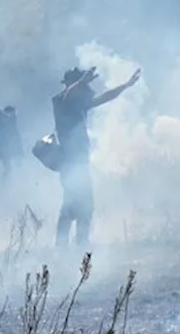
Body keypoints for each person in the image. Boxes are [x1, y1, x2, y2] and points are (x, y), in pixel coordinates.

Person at [53, 65, 141, 248]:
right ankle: (67, 245)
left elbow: (105, 97)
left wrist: (125, 85)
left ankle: (76, 243)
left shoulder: (76, 103)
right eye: (79, 85)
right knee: (73, 203)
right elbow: (69, 94)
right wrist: (82, 81)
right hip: (71, 162)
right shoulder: (61, 101)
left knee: (82, 204)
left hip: (78, 161)